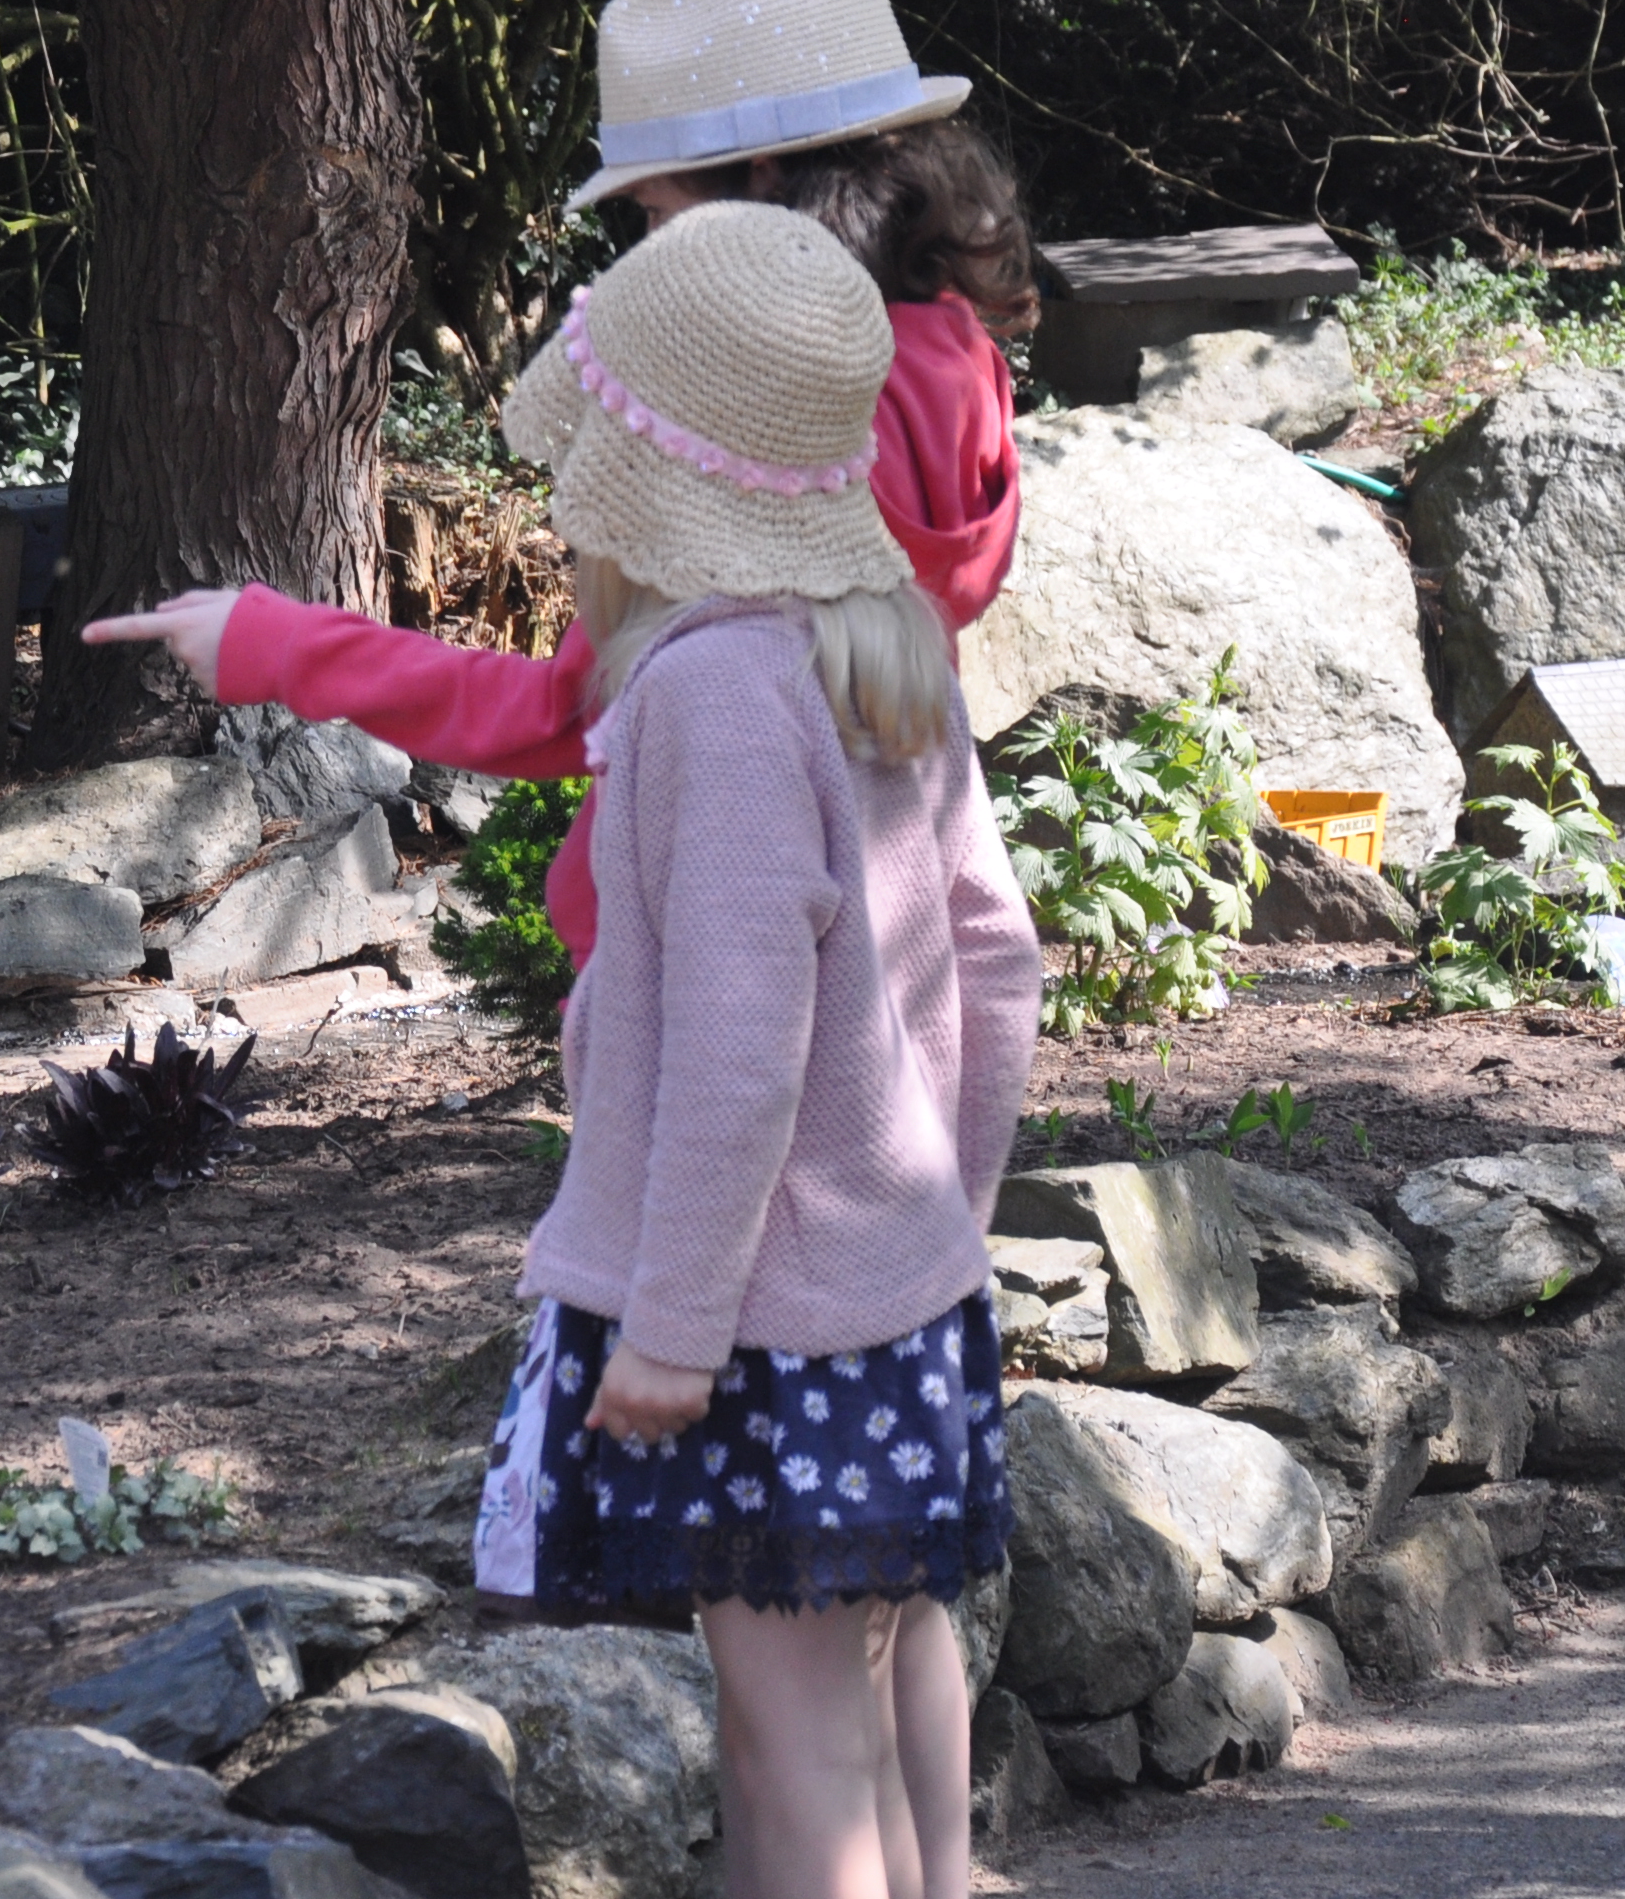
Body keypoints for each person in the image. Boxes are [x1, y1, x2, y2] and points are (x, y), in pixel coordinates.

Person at [100, 204, 1041, 1899]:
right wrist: (935, 1230)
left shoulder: (710, 693)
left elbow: (738, 1048)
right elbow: (995, 950)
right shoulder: (880, 645)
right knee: (855, 1731)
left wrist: (673, 1331)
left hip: (756, 1330)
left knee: (791, 1748)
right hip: (895, 1310)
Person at [94, 0, 1031, 967]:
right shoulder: (955, 364)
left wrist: (278, 643)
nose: (649, 247)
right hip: (889, 932)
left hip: (715, 951)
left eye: (658, 211)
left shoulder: (761, 420)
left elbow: (564, 711)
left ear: (759, 180)